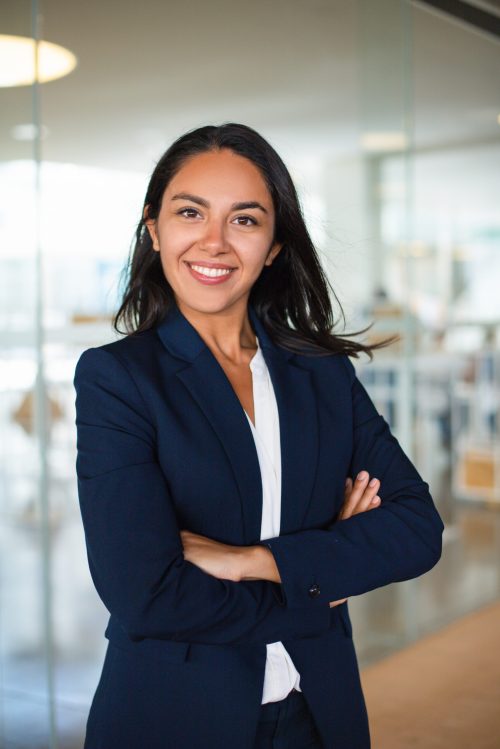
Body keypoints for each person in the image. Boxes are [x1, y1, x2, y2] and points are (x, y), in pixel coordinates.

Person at [73, 123, 444, 749]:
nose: (213, 242)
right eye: (190, 212)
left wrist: (254, 561)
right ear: (154, 227)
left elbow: (416, 529)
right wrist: (322, 571)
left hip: (318, 712)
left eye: (245, 220)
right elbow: (146, 593)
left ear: (273, 245)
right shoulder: (118, 378)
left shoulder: (321, 373)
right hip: (176, 717)